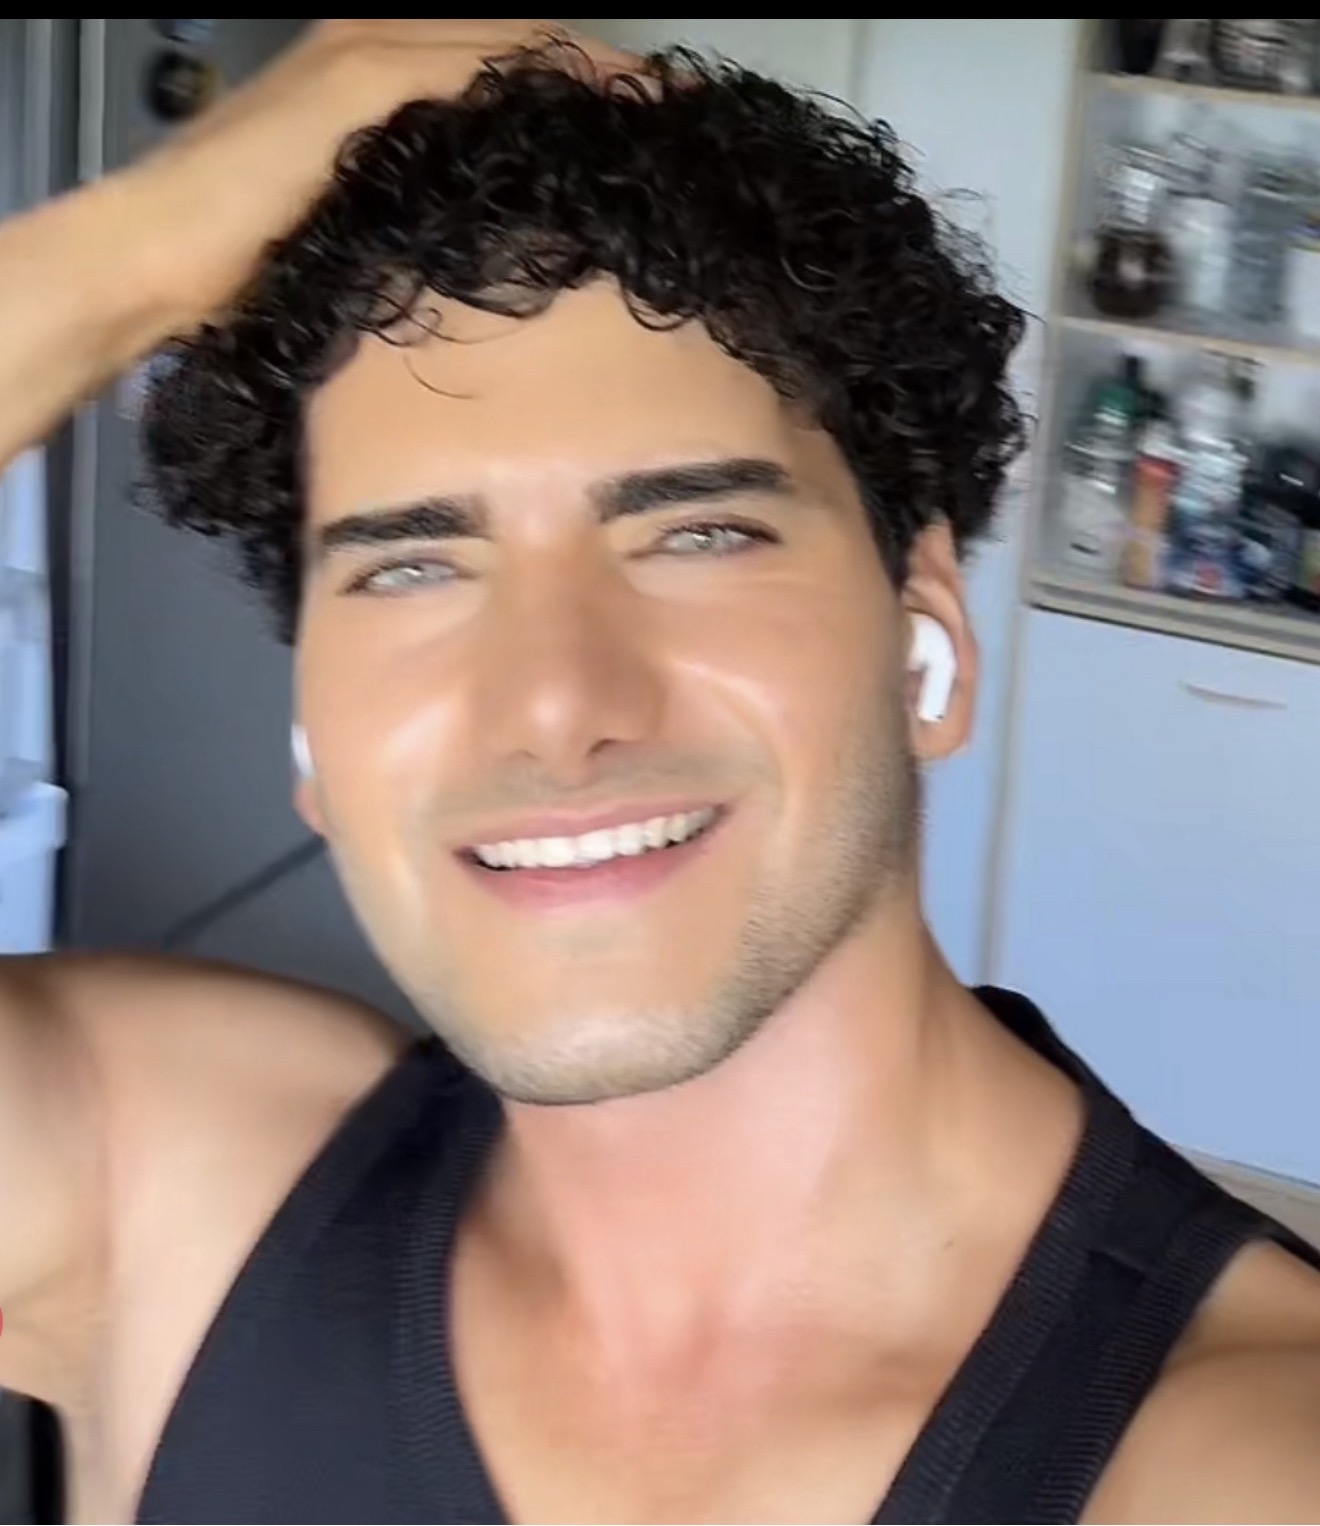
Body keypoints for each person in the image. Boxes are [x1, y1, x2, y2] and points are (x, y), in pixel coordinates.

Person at [1, 18, 1319, 1524]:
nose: (556, 707)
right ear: (313, 733)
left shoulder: (1246, 1451)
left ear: (927, 644)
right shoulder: (174, 1190)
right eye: (412, 567)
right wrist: (137, 252)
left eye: (698, 534)